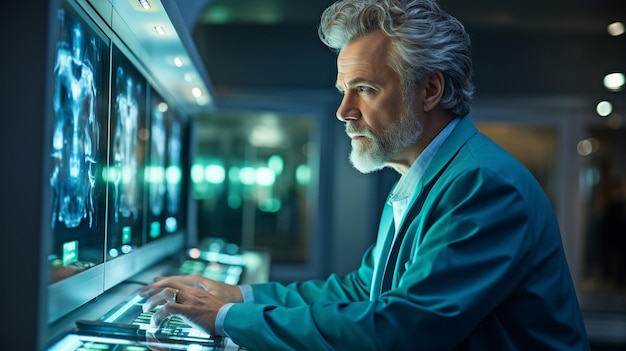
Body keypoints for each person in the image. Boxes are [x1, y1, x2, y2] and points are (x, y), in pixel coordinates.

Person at [139, 0, 590, 349]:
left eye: (366, 89)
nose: (343, 111)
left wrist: (224, 318)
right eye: (343, 90)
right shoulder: (422, 178)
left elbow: (400, 331)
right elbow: (362, 290)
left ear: (430, 90)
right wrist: (240, 297)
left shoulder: (482, 185)